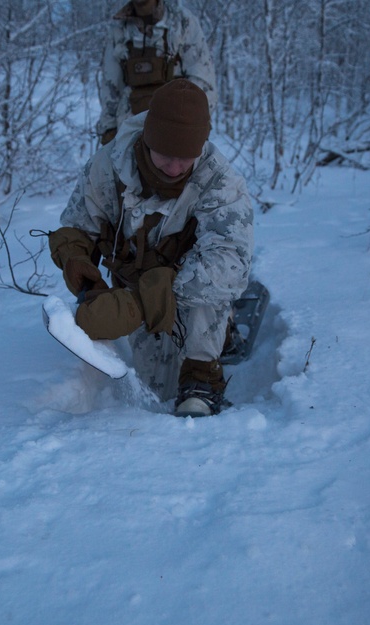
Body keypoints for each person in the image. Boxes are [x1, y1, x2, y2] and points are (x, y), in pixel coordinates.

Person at [50, 79, 253, 417]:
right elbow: (77, 225)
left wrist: (141, 303)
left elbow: (230, 262)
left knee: (212, 297)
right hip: (133, 286)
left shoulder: (220, 181)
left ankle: (204, 375)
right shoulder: (108, 166)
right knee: (158, 388)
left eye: (185, 158)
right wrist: (79, 265)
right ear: (147, 139)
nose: (174, 169)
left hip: (190, 291)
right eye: (165, 157)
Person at [96, 0, 217, 147]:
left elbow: (202, 79)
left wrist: (196, 124)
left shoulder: (181, 21)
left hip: (177, 130)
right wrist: (109, 129)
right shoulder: (119, 28)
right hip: (129, 133)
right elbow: (111, 85)